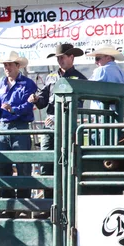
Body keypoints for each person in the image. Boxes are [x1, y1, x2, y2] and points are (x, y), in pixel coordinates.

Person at [28, 44, 87, 198]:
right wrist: (35, 99)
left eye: (63, 57)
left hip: (67, 126)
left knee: (67, 163)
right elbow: (43, 101)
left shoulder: (80, 79)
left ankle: (66, 200)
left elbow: (78, 105)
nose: (60, 60)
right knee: (46, 162)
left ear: (71, 57)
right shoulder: (51, 77)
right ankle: (48, 203)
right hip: (49, 126)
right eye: (58, 58)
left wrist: (60, 117)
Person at [0, 51, 37, 203]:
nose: (6, 67)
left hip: (20, 127)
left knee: (23, 166)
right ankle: (8, 205)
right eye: (5, 65)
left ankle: (23, 205)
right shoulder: (1, 84)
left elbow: (29, 106)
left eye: (9, 64)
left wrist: (13, 109)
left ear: (17, 66)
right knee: (2, 166)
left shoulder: (28, 84)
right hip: (3, 127)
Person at [86, 44, 124, 109]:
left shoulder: (101, 70)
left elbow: (86, 89)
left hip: (102, 114)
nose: (95, 62)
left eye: (97, 59)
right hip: (121, 115)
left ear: (108, 58)